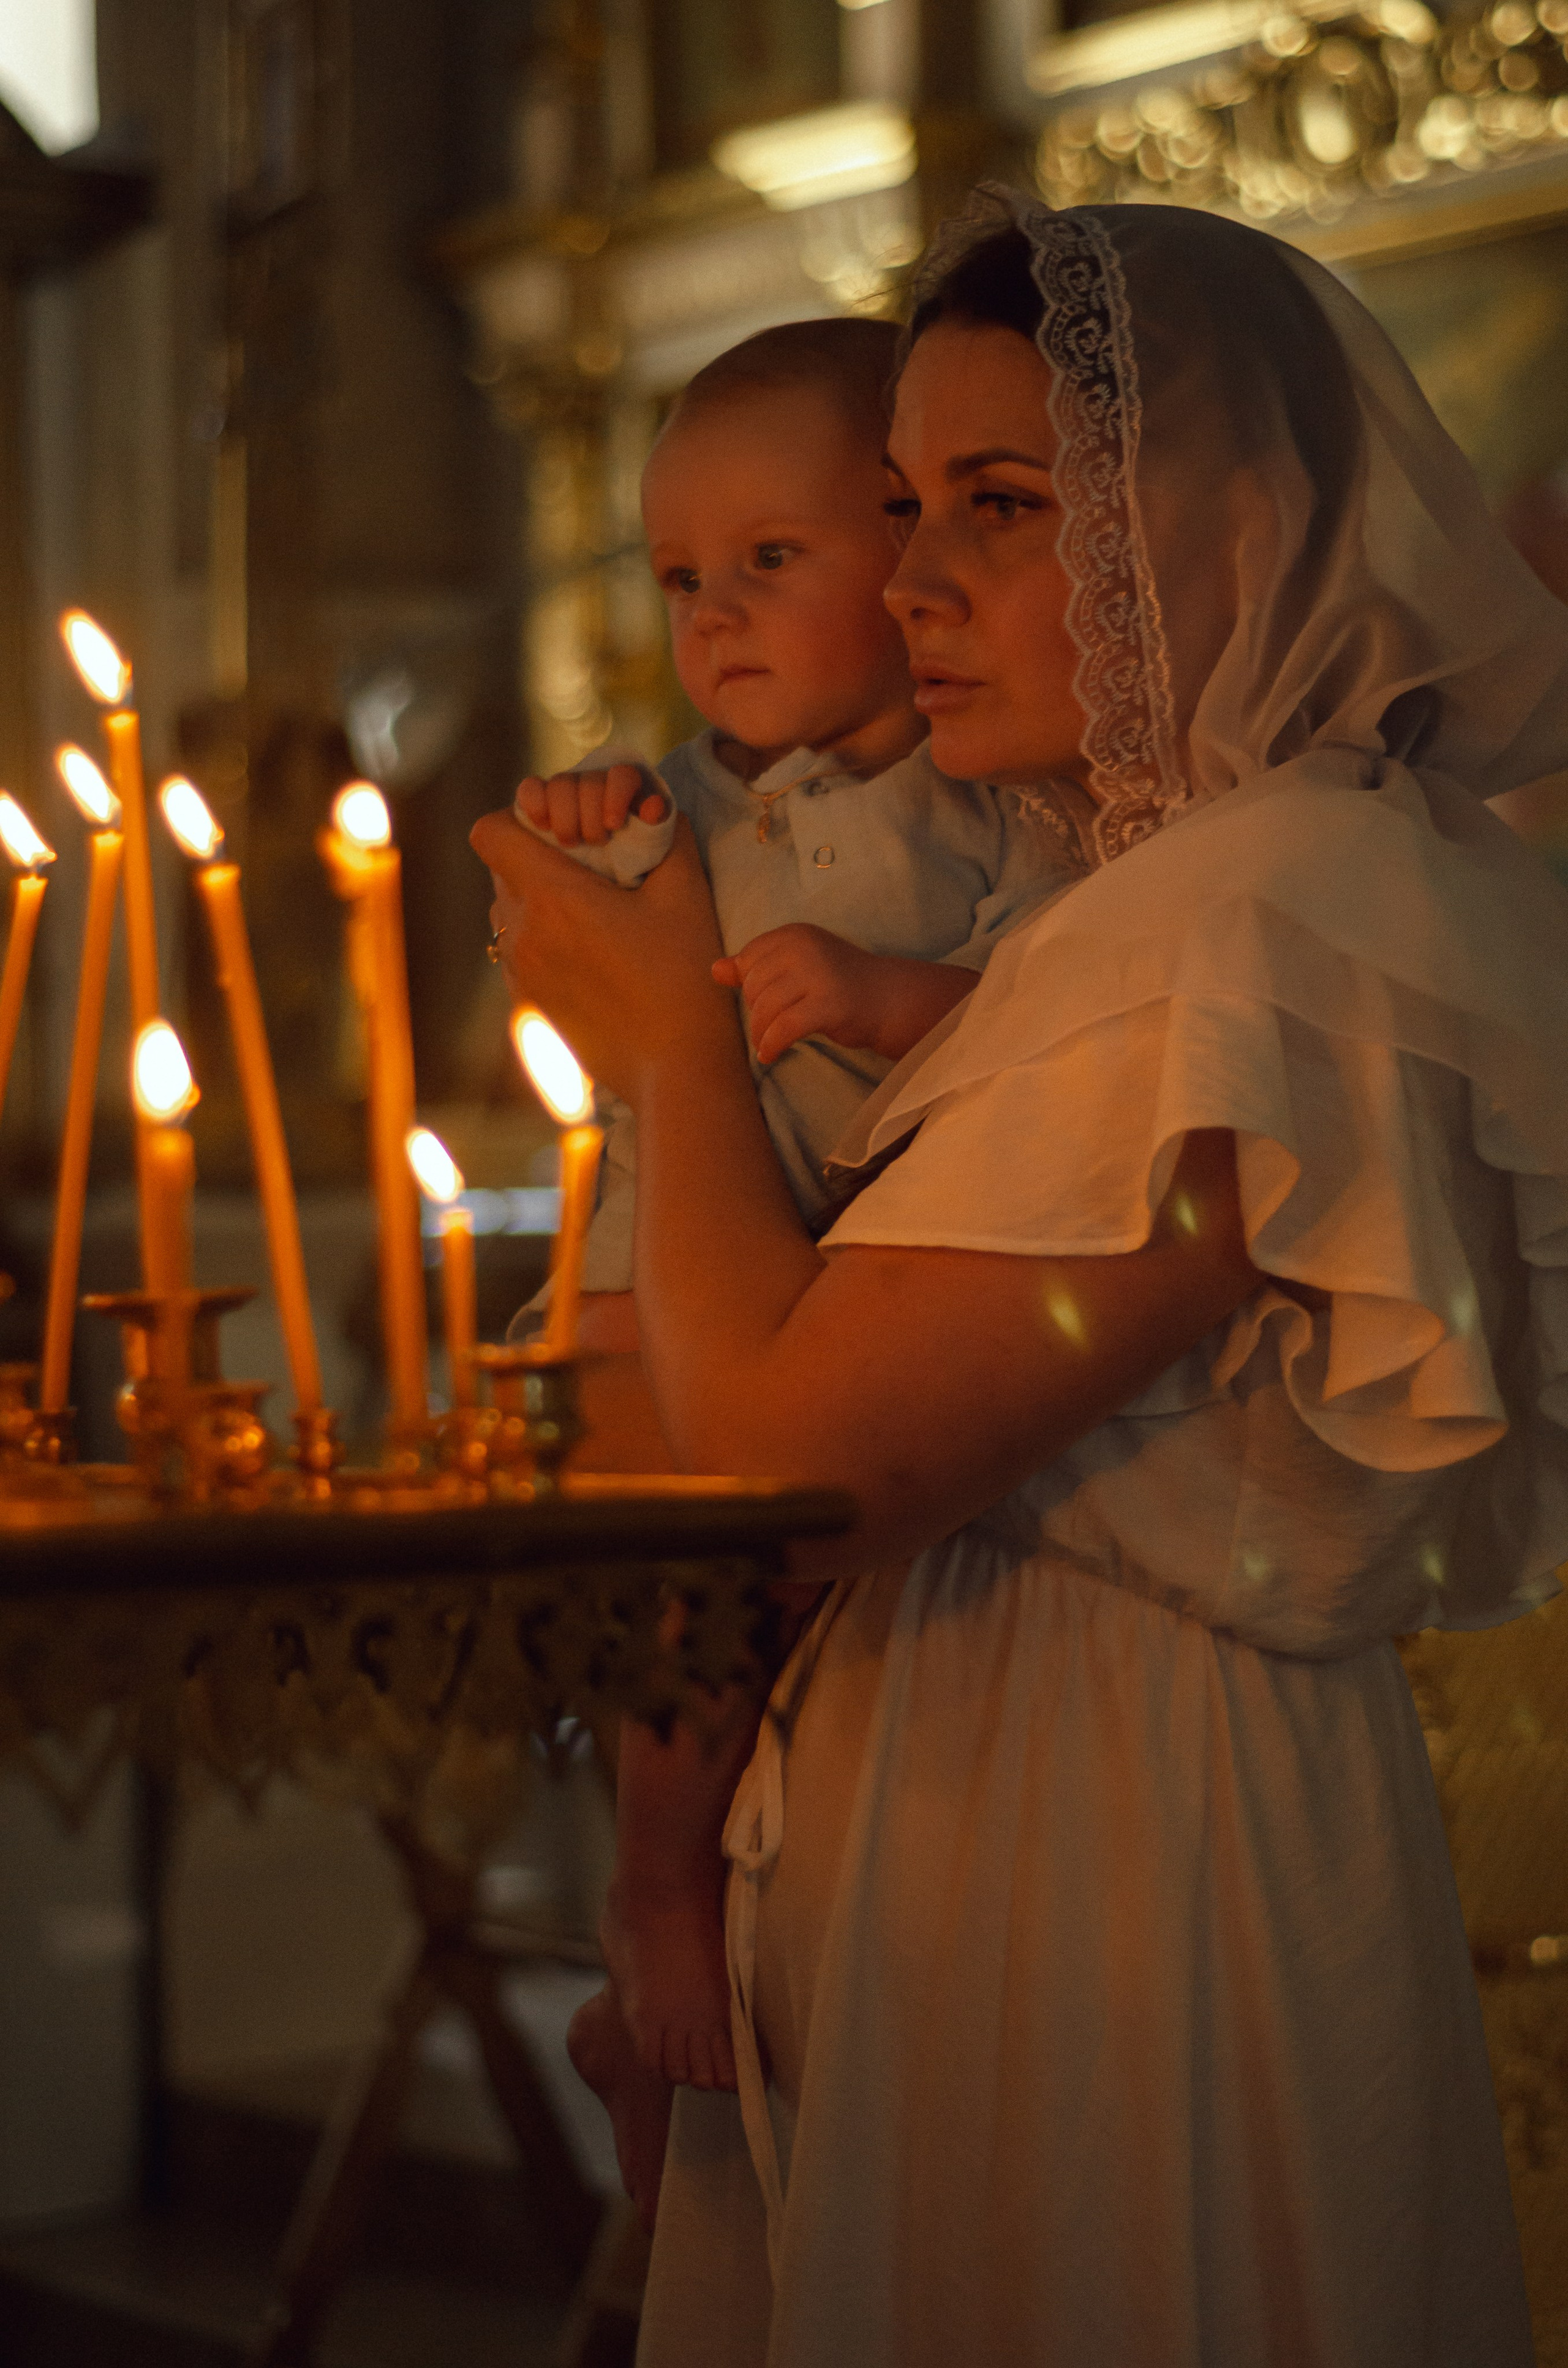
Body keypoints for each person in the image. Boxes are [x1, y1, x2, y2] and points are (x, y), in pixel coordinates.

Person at [474, 187, 1568, 2366]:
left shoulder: (1266, 915)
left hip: (1111, 1840)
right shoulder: (1119, 908)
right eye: (902, 506)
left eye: (1002, 502)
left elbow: (791, 1458)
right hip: (988, 1797)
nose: (913, 582)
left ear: (1221, 524)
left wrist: (669, 1032)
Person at [511, 315, 1077, 2103]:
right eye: (682, 578)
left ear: (904, 552)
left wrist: (885, 995)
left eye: (771, 559)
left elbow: (1060, 1016)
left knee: (765, 1604)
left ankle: (668, 1937)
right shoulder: (677, 801)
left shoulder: (996, 808)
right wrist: (578, 827)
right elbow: (571, 936)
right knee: (662, 1591)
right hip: (647, 1266)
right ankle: (649, 1891)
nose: (715, 619)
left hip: (832, 1292)